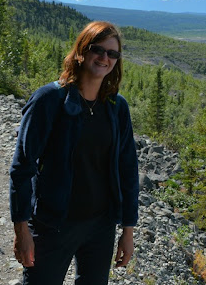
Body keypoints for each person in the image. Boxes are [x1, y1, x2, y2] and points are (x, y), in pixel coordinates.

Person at [9, 21, 139, 284]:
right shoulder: (49, 99)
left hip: (100, 226)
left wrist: (128, 229)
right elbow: (22, 167)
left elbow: (128, 170)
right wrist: (21, 229)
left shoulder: (116, 107)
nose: (105, 58)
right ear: (81, 51)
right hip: (53, 224)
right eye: (98, 50)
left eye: (112, 54)